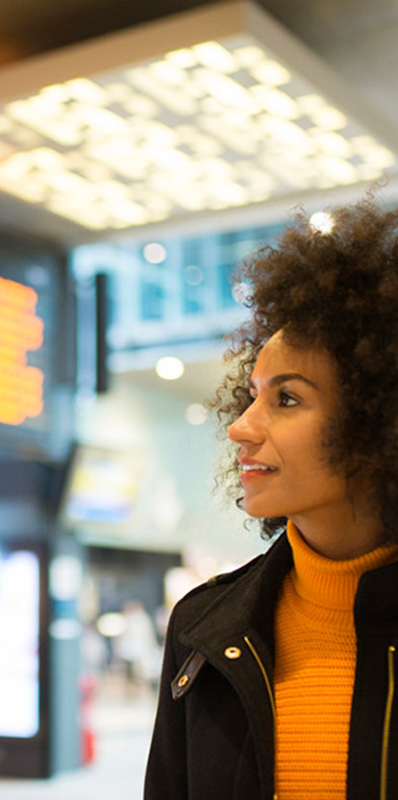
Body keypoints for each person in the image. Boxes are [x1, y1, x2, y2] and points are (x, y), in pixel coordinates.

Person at [144, 196, 398, 800]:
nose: (240, 426)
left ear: (377, 421)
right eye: (251, 395)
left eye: (286, 399)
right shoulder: (202, 627)